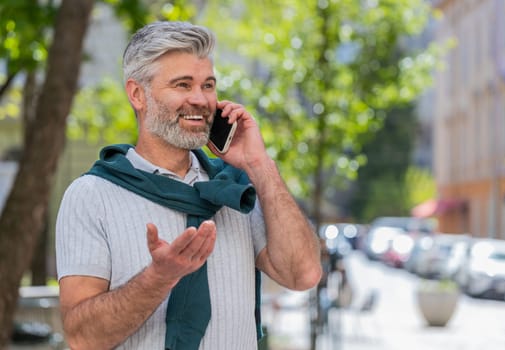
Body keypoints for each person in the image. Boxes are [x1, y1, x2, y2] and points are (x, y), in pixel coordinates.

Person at [55, 21, 322, 350]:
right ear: (138, 94)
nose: (200, 99)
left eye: (208, 85)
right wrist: (159, 277)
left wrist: (259, 165)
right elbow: (82, 337)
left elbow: (303, 275)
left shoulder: (236, 190)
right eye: (182, 85)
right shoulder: (92, 196)